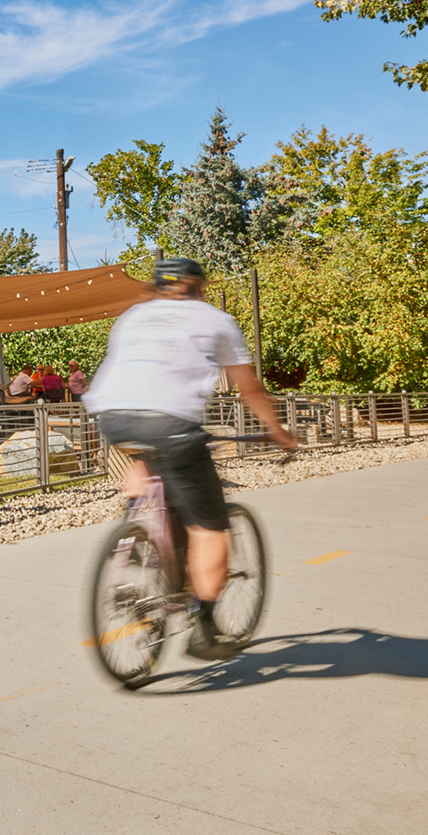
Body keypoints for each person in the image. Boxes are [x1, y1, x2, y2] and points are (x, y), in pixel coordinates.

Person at [84, 257, 297, 661]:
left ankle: (139, 531)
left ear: (158, 287)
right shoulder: (215, 319)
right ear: (199, 286)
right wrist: (279, 432)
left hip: (112, 416)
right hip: (172, 423)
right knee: (211, 527)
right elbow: (249, 390)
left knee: (149, 461)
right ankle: (205, 627)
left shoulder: (133, 316)